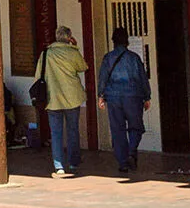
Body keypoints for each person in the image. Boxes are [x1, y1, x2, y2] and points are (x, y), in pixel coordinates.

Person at [98, 26, 151, 173]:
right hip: (133, 97)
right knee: (136, 127)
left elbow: (103, 78)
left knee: (117, 130)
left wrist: (101, 96)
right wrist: (147, 96)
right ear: (126, 41)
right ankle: (131, 151)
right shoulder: (134, 58)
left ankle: (122, 162)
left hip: (113, 97)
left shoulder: (108, 58)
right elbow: (142, 78)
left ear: (113, 41)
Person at [39, 26, 89, 178]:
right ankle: (73, 162)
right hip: (72, 97)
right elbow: (83, 67)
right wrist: (75, 46)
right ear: (69, 37)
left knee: (56, 133)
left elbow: (38, 75)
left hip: (52, 98)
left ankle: (59, 166)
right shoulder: (72, 52)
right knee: (73, 130)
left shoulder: (46, 53)